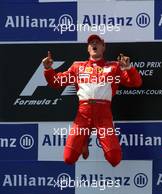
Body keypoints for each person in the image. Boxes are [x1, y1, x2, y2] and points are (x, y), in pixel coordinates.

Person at [42, 34, 142, 167]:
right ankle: (84, 139)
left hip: (103, 115)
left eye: (97, 42)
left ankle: (84, 138)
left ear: (103, 47)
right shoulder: (77, 67)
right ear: (88, 48)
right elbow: (56, 82)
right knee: (68, 158)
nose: (94, 44)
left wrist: (128, 68)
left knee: (115, 159)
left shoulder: (114, 66)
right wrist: (48, 69)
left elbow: (136, 83)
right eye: (91, 43)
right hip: (83, 114)